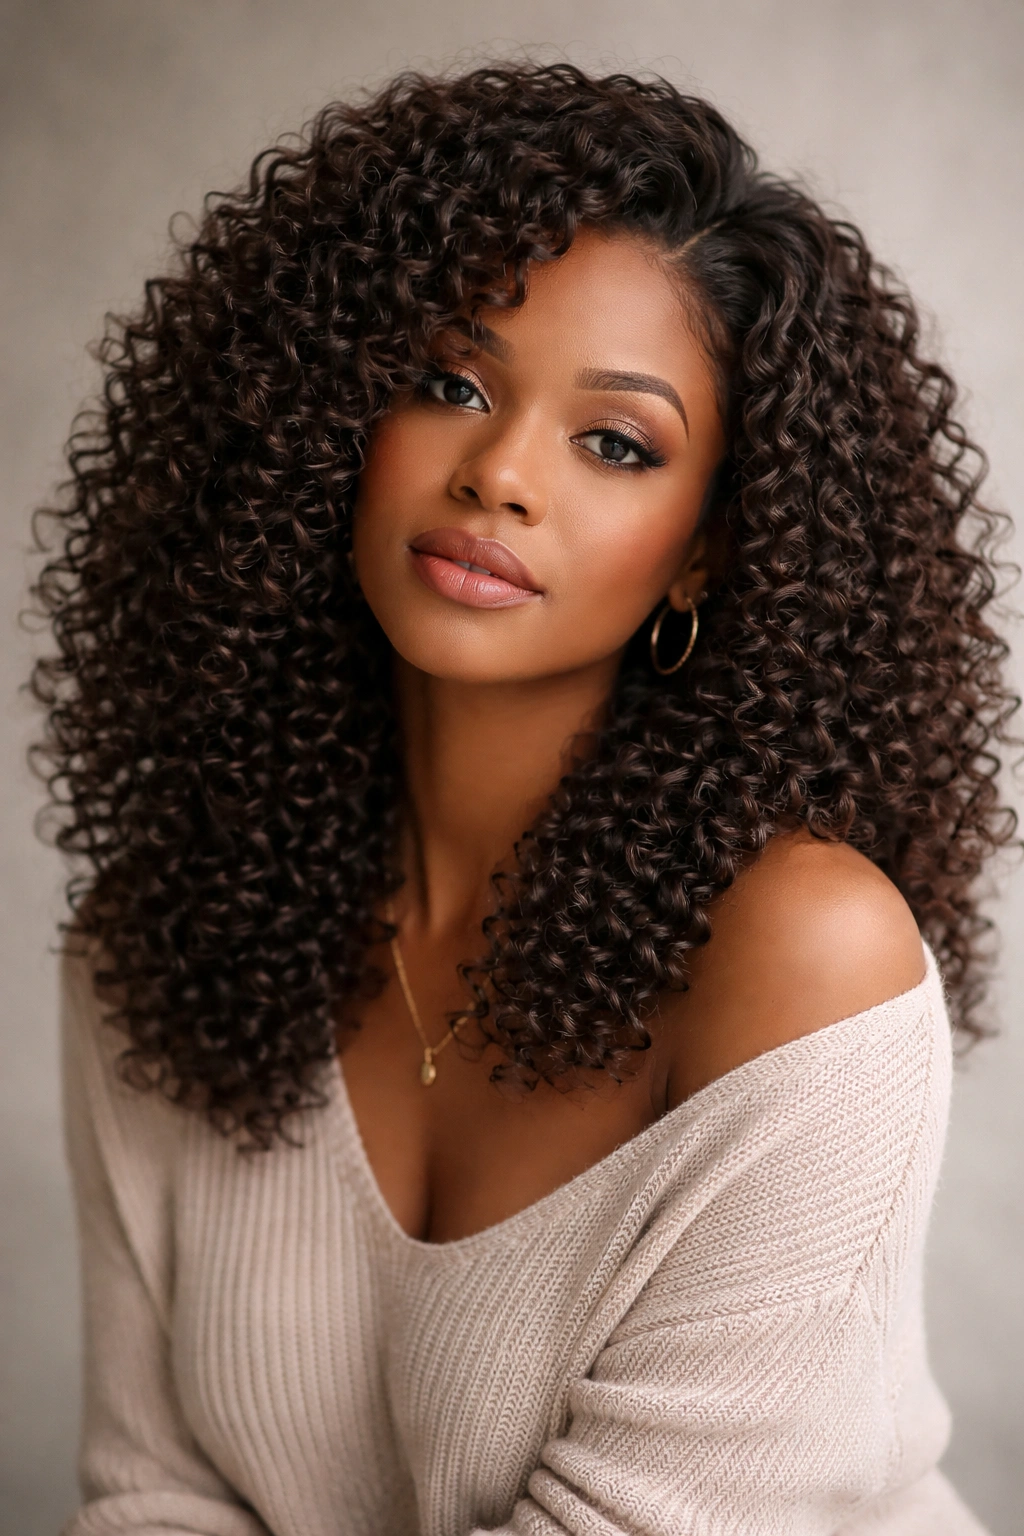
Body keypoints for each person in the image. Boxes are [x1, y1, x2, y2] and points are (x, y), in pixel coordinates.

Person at [34, 62, 1015, 1536]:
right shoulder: (163, 942)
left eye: (615, 443)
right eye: (448, 383)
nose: (498, 473)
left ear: (707, 552)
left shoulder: (805, 957)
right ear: (328, 428)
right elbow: (156, 1497)